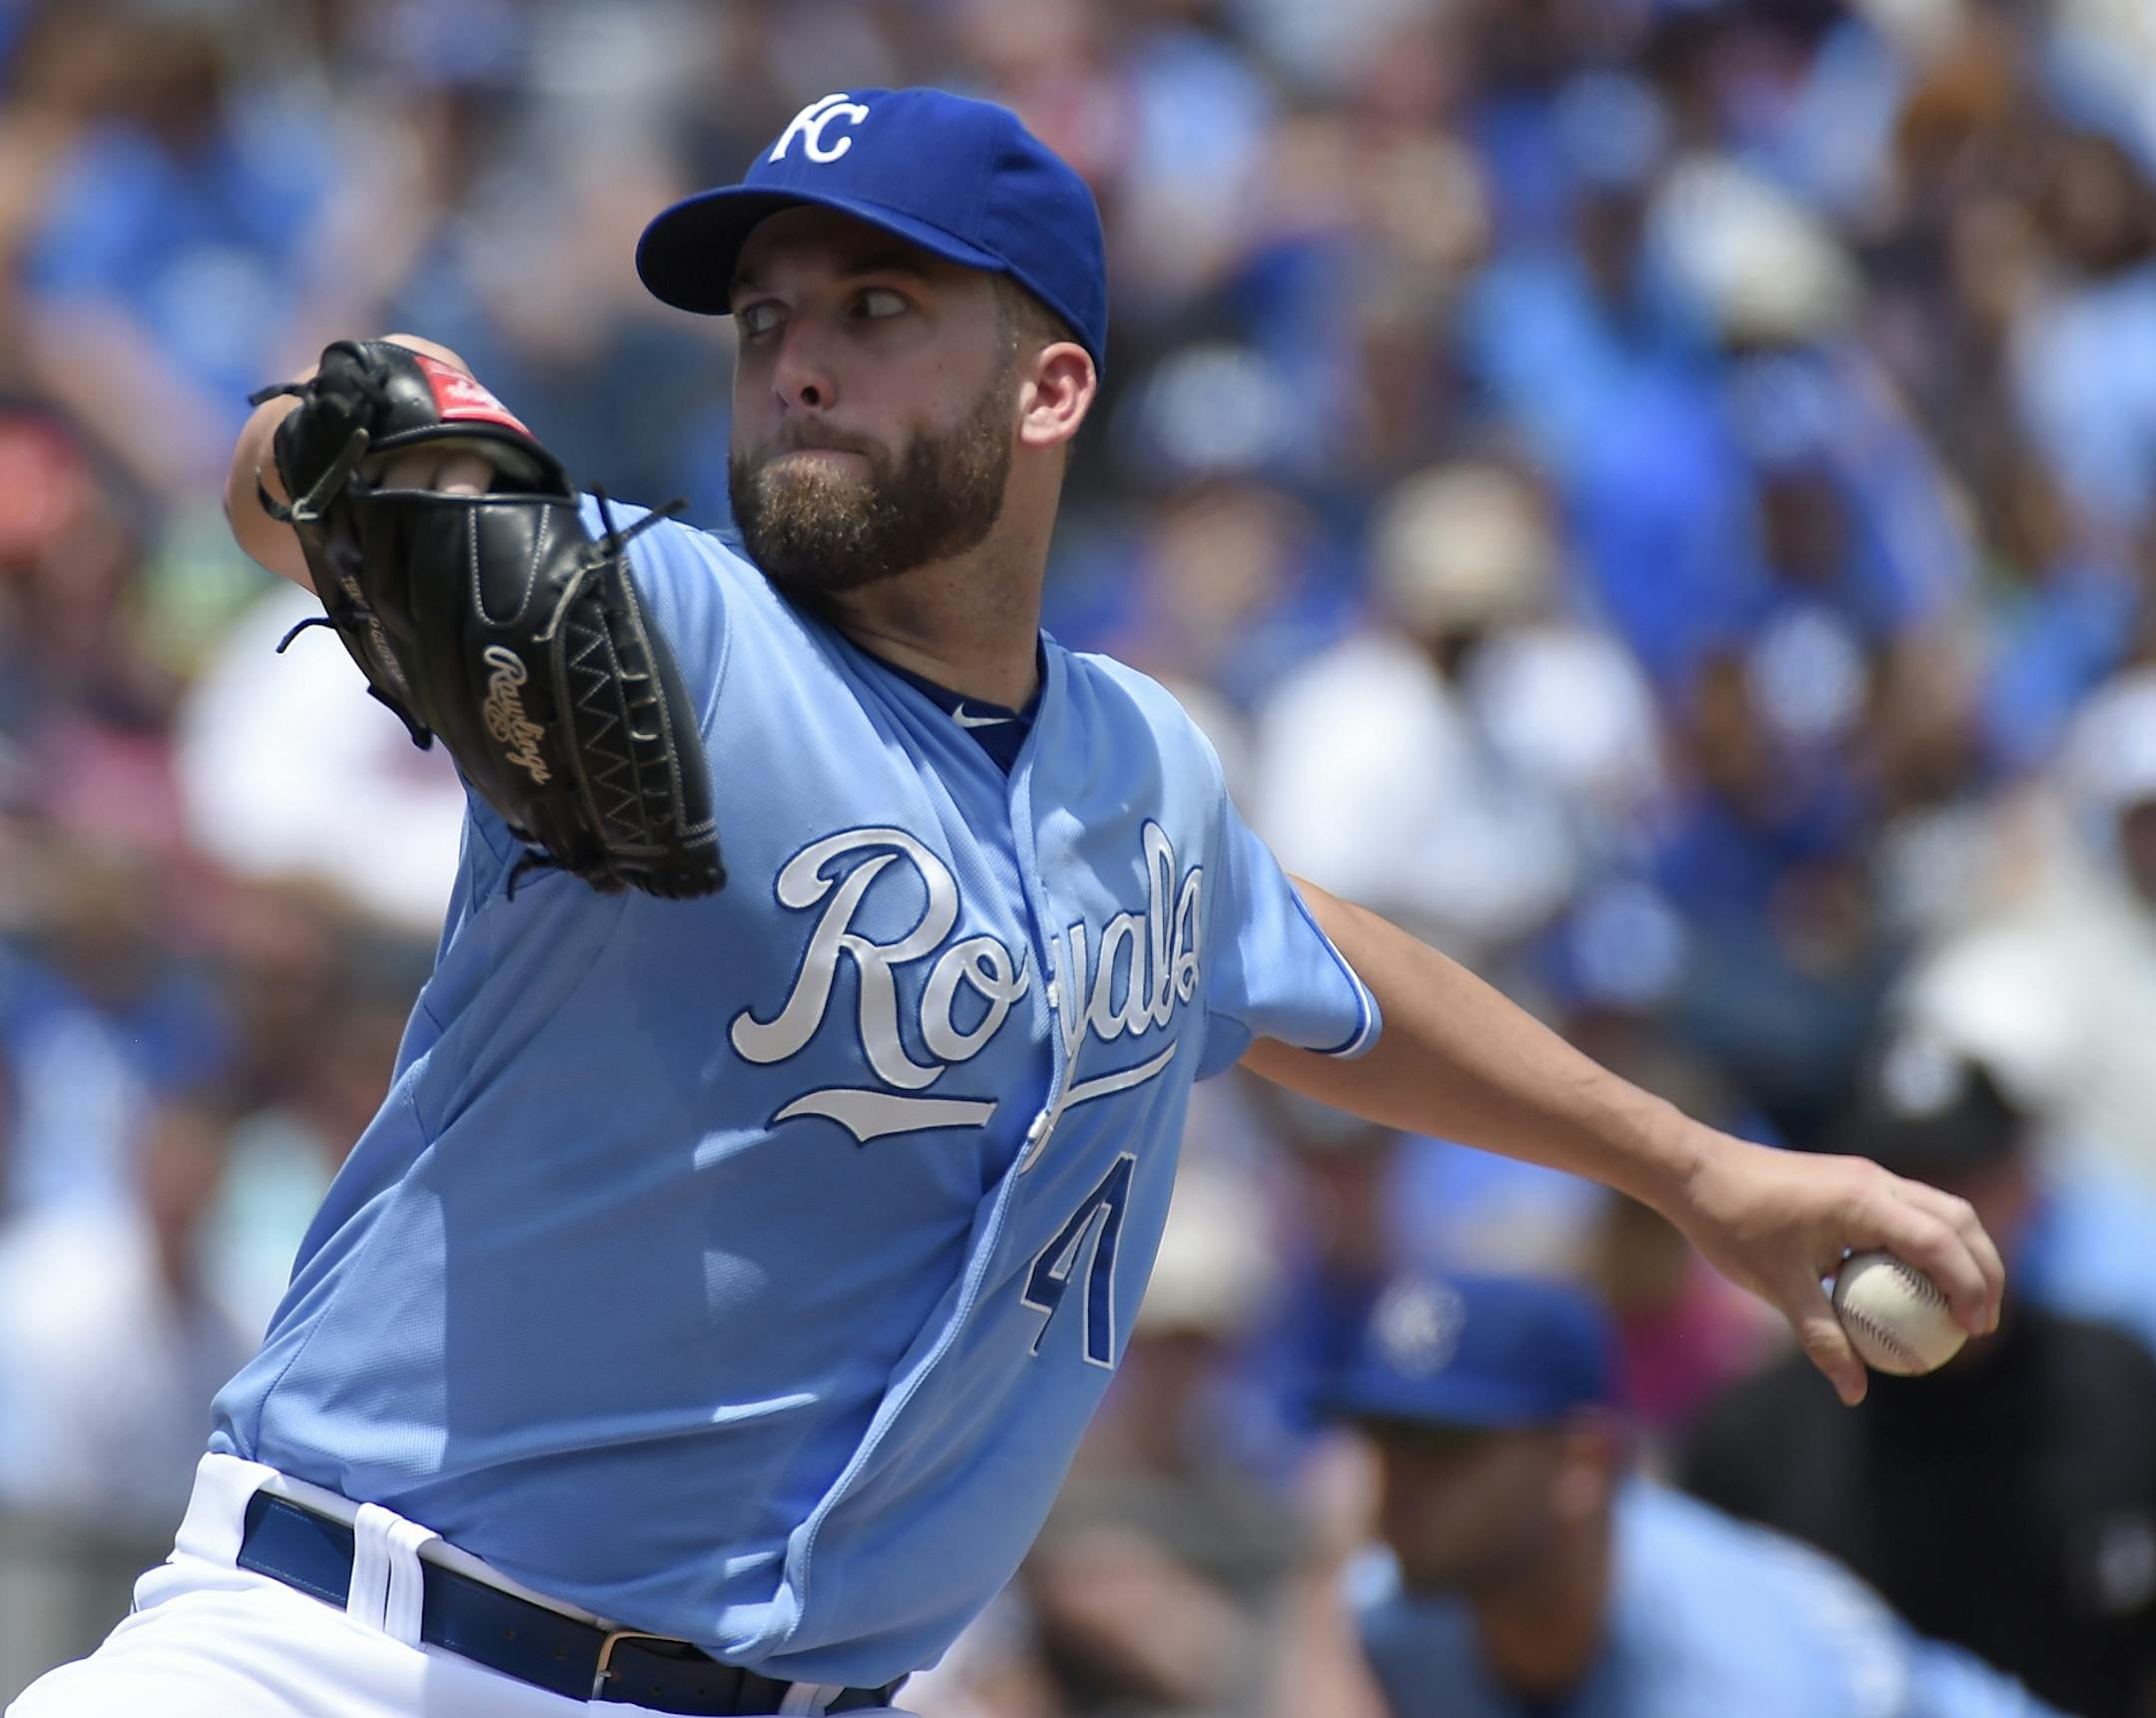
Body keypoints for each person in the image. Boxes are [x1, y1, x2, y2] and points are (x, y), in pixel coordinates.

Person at [12, 88, 2002, 1718]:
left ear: (1050, 390)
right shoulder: (675, 624)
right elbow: (290, 485)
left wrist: (1697, 1172)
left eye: (875, 309)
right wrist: (331, 452)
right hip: (350, 1651)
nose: (795, 358)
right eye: (769, 315)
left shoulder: (1145, 769)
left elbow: (1318, 968)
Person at [1328, 1271, 2060, 1718]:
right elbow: (1328, 1605)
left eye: (1445, 1444)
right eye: (1382, 1434)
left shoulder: (1743, 1674)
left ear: (1581, 1461)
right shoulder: (1396, 1619)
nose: (1399, 1479)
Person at [1680, 1032, 2156, 1718]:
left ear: (2026, 1186)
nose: (1922, 1220)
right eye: (1893, 1180)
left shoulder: (2121, 1384)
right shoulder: (1753, 1432)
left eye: (1956, 1176)